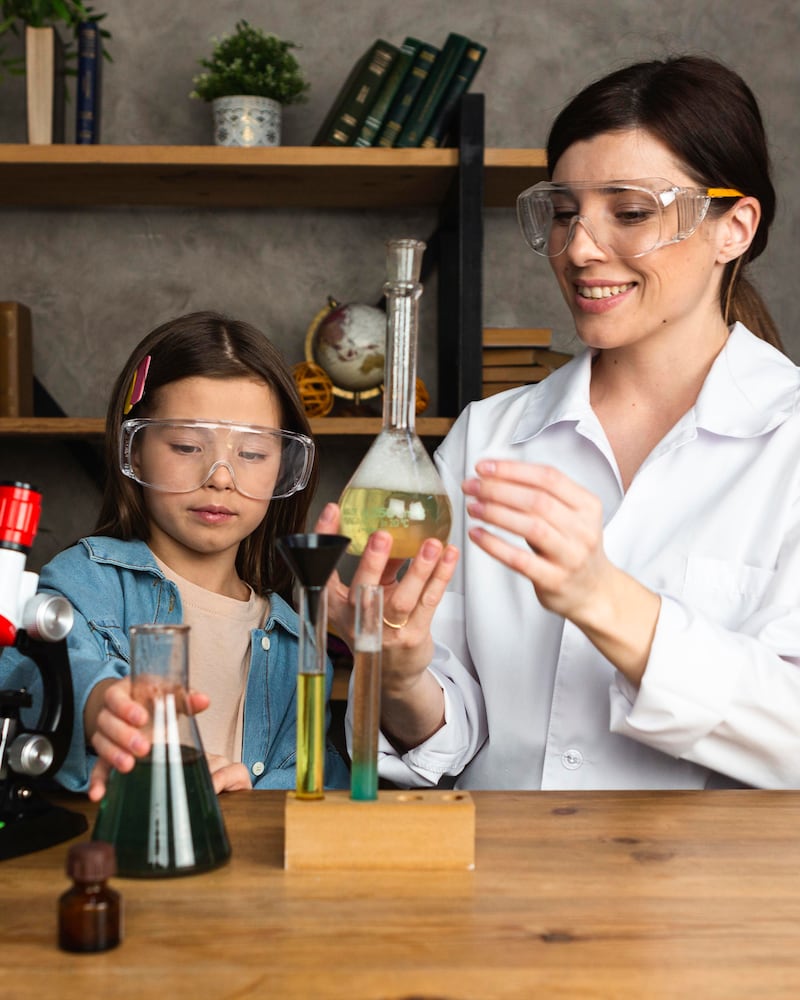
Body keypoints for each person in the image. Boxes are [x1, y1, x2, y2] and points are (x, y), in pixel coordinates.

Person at [320, 54, 800, 790]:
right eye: (567, 211)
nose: (579, 248)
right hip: (498, 890)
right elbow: (445, 732)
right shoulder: (488, 437)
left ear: (733, 226)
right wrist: (405, 672)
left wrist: (605, 599)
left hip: (708, 898)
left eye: (630, 212)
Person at [0, 311, 350, 797]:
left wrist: (255, 799)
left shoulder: (300, 641)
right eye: (187, 445)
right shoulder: (87, 582)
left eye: (252, 454)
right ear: (135, 449)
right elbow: (42, 671)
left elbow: (315, 786)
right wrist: (104, 704)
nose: (221, 477)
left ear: (284, 468)